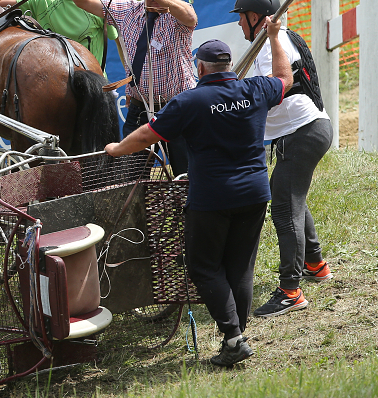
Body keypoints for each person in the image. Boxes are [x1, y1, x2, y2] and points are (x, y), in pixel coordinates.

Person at [104, 25, 292, 367]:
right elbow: (284, 77)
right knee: (240, 269)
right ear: (229, 64)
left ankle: (234, 337)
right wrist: (276, 36)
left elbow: (148, 133)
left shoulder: (190, 101)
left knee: (203, 267)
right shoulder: (255, 89)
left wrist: (117, 149)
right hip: (254, 192)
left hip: (212, 198)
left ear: (200, 68)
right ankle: (235, 338)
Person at [231, 0, 334, 318]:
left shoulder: (271, 45)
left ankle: (291, 290)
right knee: (291, 198)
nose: (238, 25)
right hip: (306, 130)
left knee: (285, 209)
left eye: (241, 19)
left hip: (302, 132)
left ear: (256, 18)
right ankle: (315, 264)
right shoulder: (270, 42)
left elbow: (281, 82)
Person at [61, 0, 197, 177]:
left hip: (177, 107)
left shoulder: (177, 18)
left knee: (188, 175)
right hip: (139, 108)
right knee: (131, 178)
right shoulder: (128, 11)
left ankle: (189, 211)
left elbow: (190, 15)